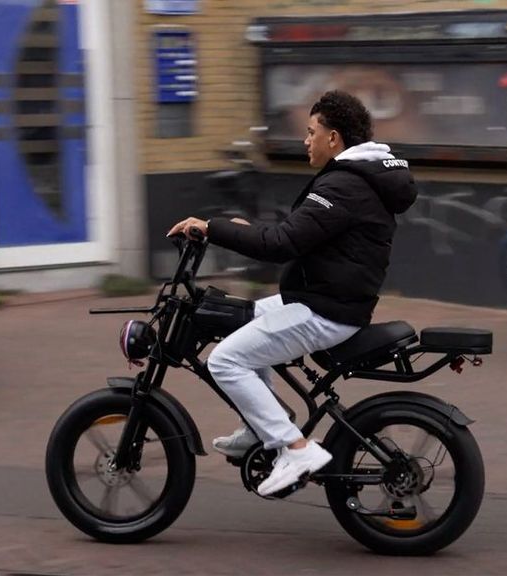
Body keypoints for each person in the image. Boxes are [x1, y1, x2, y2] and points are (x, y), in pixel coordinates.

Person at [167, 90, 418, 496]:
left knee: (226, 361)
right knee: (244, 319)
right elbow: (302, 232)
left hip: (324, 310)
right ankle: (261, 424)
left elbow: (282, 244)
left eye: (311, 132)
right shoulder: (354, 181)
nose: (306, 140)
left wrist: (214, 228)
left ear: (333, 138)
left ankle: (295, 448)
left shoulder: (343, 186)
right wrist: (244, 229)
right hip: (323, 297)